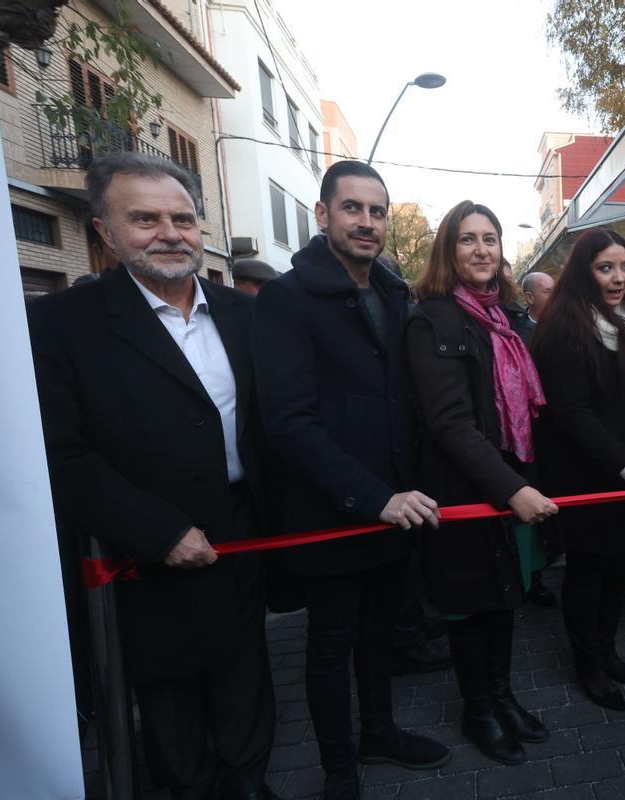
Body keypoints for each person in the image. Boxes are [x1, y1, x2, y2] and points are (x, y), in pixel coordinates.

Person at [28, 152, 275, 799]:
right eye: (145, 218)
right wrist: (157, 530)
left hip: (243, 536)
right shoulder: (60, 324)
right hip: (144, 557)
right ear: (105, 231)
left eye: (183, 218)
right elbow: (61, 452)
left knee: (247, 684)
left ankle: (250, 786)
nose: (170, 232)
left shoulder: (245, 313)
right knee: (172, 712)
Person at [250, 160, 449, 800]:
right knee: (332, 646)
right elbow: (288, 422)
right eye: (353, 208)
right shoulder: (286, 298)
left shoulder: (394, 292)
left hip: (397, 512)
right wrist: (373, 496)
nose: (368, 222)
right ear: (323, 215)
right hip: (333, 512)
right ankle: (340, 770)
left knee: (380, 635)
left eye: (378, 211)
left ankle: (380, 733)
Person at [405, 200, 557, 765]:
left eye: (489, 239)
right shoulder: (432, 319)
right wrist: (511, 490)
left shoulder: (508, 319)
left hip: (510, 479)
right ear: (448, 250)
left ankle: (503, 696)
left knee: (505, 598)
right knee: (470, 607)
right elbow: (448, 422)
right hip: (466, 489)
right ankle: (478, 710)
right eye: (467, 239)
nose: (480, 250)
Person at [531, 227, 625, 711]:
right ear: (584, 271)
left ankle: (607, 649)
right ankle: (589, 664)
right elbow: (572, 413)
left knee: (619, 568)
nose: (619, 277)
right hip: (588, 478)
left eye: (624, 267)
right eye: (606, 268)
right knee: (587, 573)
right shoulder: (564, 328)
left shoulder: (623, 322)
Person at [517, 270, 560, 608]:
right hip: (527, 439)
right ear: (529, 297)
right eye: (547, 291)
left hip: (560, 436)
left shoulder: (567, 329)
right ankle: (531, 578)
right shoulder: (514, 334)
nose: (555, 295)